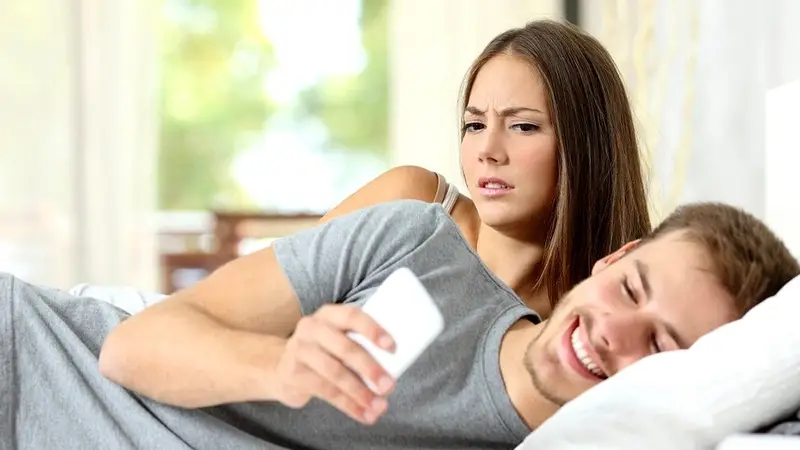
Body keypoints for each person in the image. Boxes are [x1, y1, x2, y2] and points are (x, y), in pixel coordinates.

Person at [4, 199, 797, 450]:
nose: (614, 332)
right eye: (631, 288)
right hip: (25, 358)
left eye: (659, 345)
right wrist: (276, 367)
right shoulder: (418, 247)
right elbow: (129, 347)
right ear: (613, 257)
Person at [319, 19, 651, 318]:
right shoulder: (410, 201)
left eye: (523, 126)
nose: (487, 152)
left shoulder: (584, 327)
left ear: (589, 146)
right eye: (475, 125)